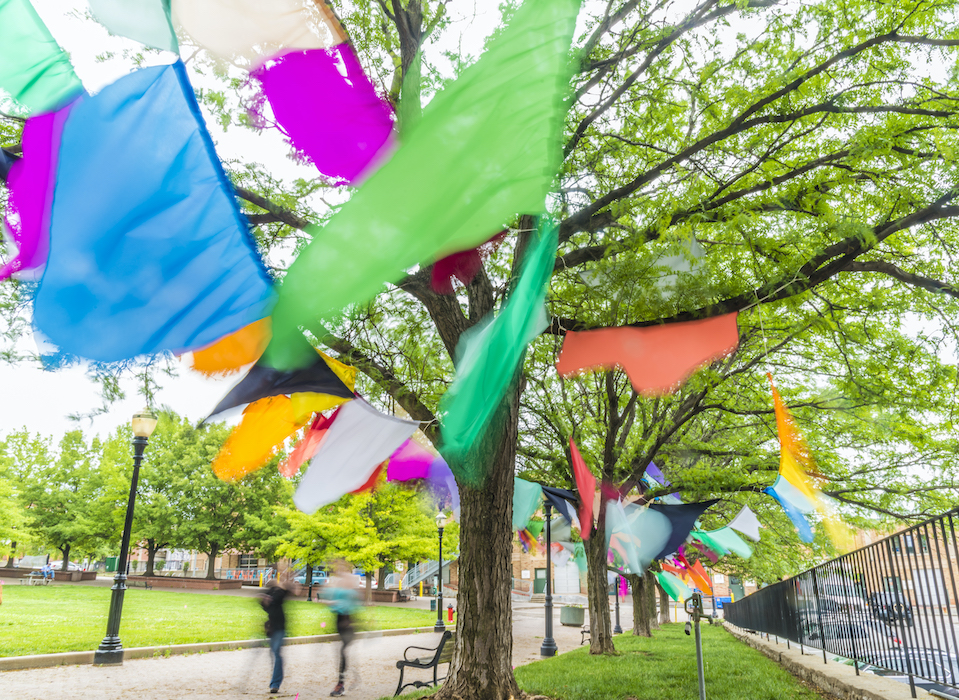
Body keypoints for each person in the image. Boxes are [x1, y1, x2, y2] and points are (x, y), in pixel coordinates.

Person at [325, 561, 360, 697]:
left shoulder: (351, 582)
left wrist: (338, 603)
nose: (338, 569)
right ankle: (347, 679)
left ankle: (341, 684)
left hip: (348, 622)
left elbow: (355, 603)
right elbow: (331, 601)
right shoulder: (338, 583)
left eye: (341, 566)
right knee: (341, 653)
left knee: (343, 651)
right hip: (339, 621)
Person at [260, 579, 289, 694]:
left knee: (276, 654)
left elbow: (281, 595)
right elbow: (265, 605)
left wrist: (267, 599)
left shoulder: (279, 593)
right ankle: (276, 681)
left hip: (279, 629)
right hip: (272, 629)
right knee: (275, 653)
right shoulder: (271, 593)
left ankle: (275, 684)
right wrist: (266, 600)